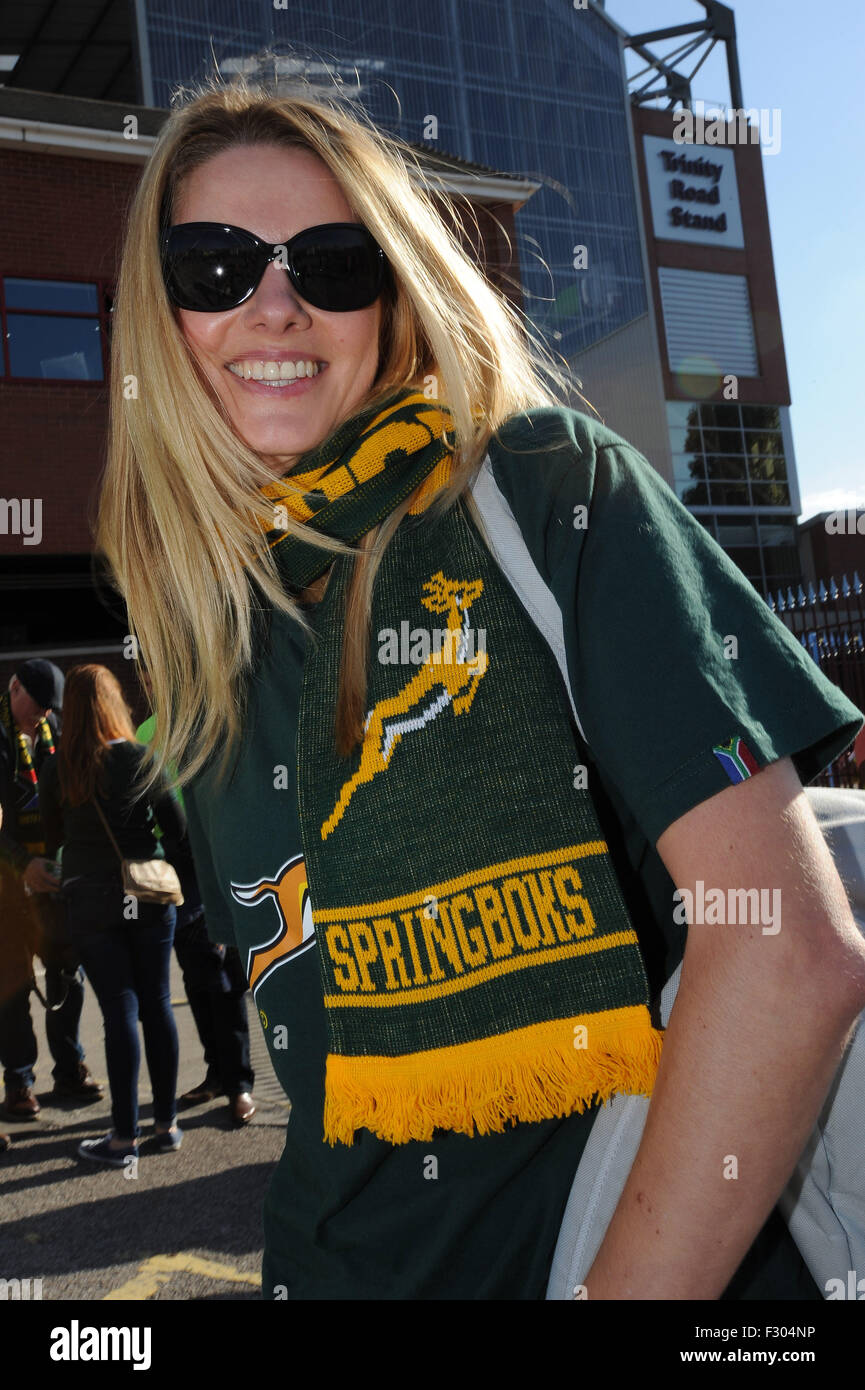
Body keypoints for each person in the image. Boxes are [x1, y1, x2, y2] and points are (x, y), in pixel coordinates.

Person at [95, 74, 865, 1300]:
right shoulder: (203, 618)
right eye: (218, 266)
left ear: (395, 297)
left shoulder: (549, 492)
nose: (277, 305)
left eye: (334, 263)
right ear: (162, 311)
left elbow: (787, 951)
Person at [39, 665, 186, 1167]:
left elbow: (52, 833)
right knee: (159, 1004)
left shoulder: (60, 766)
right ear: (114, 703)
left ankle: (123, 1139)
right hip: (147, 894)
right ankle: (166, 1125)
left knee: (118, 1012)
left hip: (91, 902)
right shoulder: (141, 757)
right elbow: (177, 828)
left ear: (73, 712)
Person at [135, 676, 256, 1127]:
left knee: (224, 978)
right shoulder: (144, 733)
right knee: (195, 975)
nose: (155, 680)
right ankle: (216, 1074)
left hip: (217, 858)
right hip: (176, 869)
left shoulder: (211, 721)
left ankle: (240, 1082)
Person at [0, 659, 102, 1121]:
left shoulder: (53, 729)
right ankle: (19, 1082)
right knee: (13, 983)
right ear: (13, 686)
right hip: (7, 883)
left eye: (47, 710)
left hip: (55, 879)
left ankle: (69, 1069)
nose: (40, 716)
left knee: (68, 978)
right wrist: (23, 866)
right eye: (36, 707)